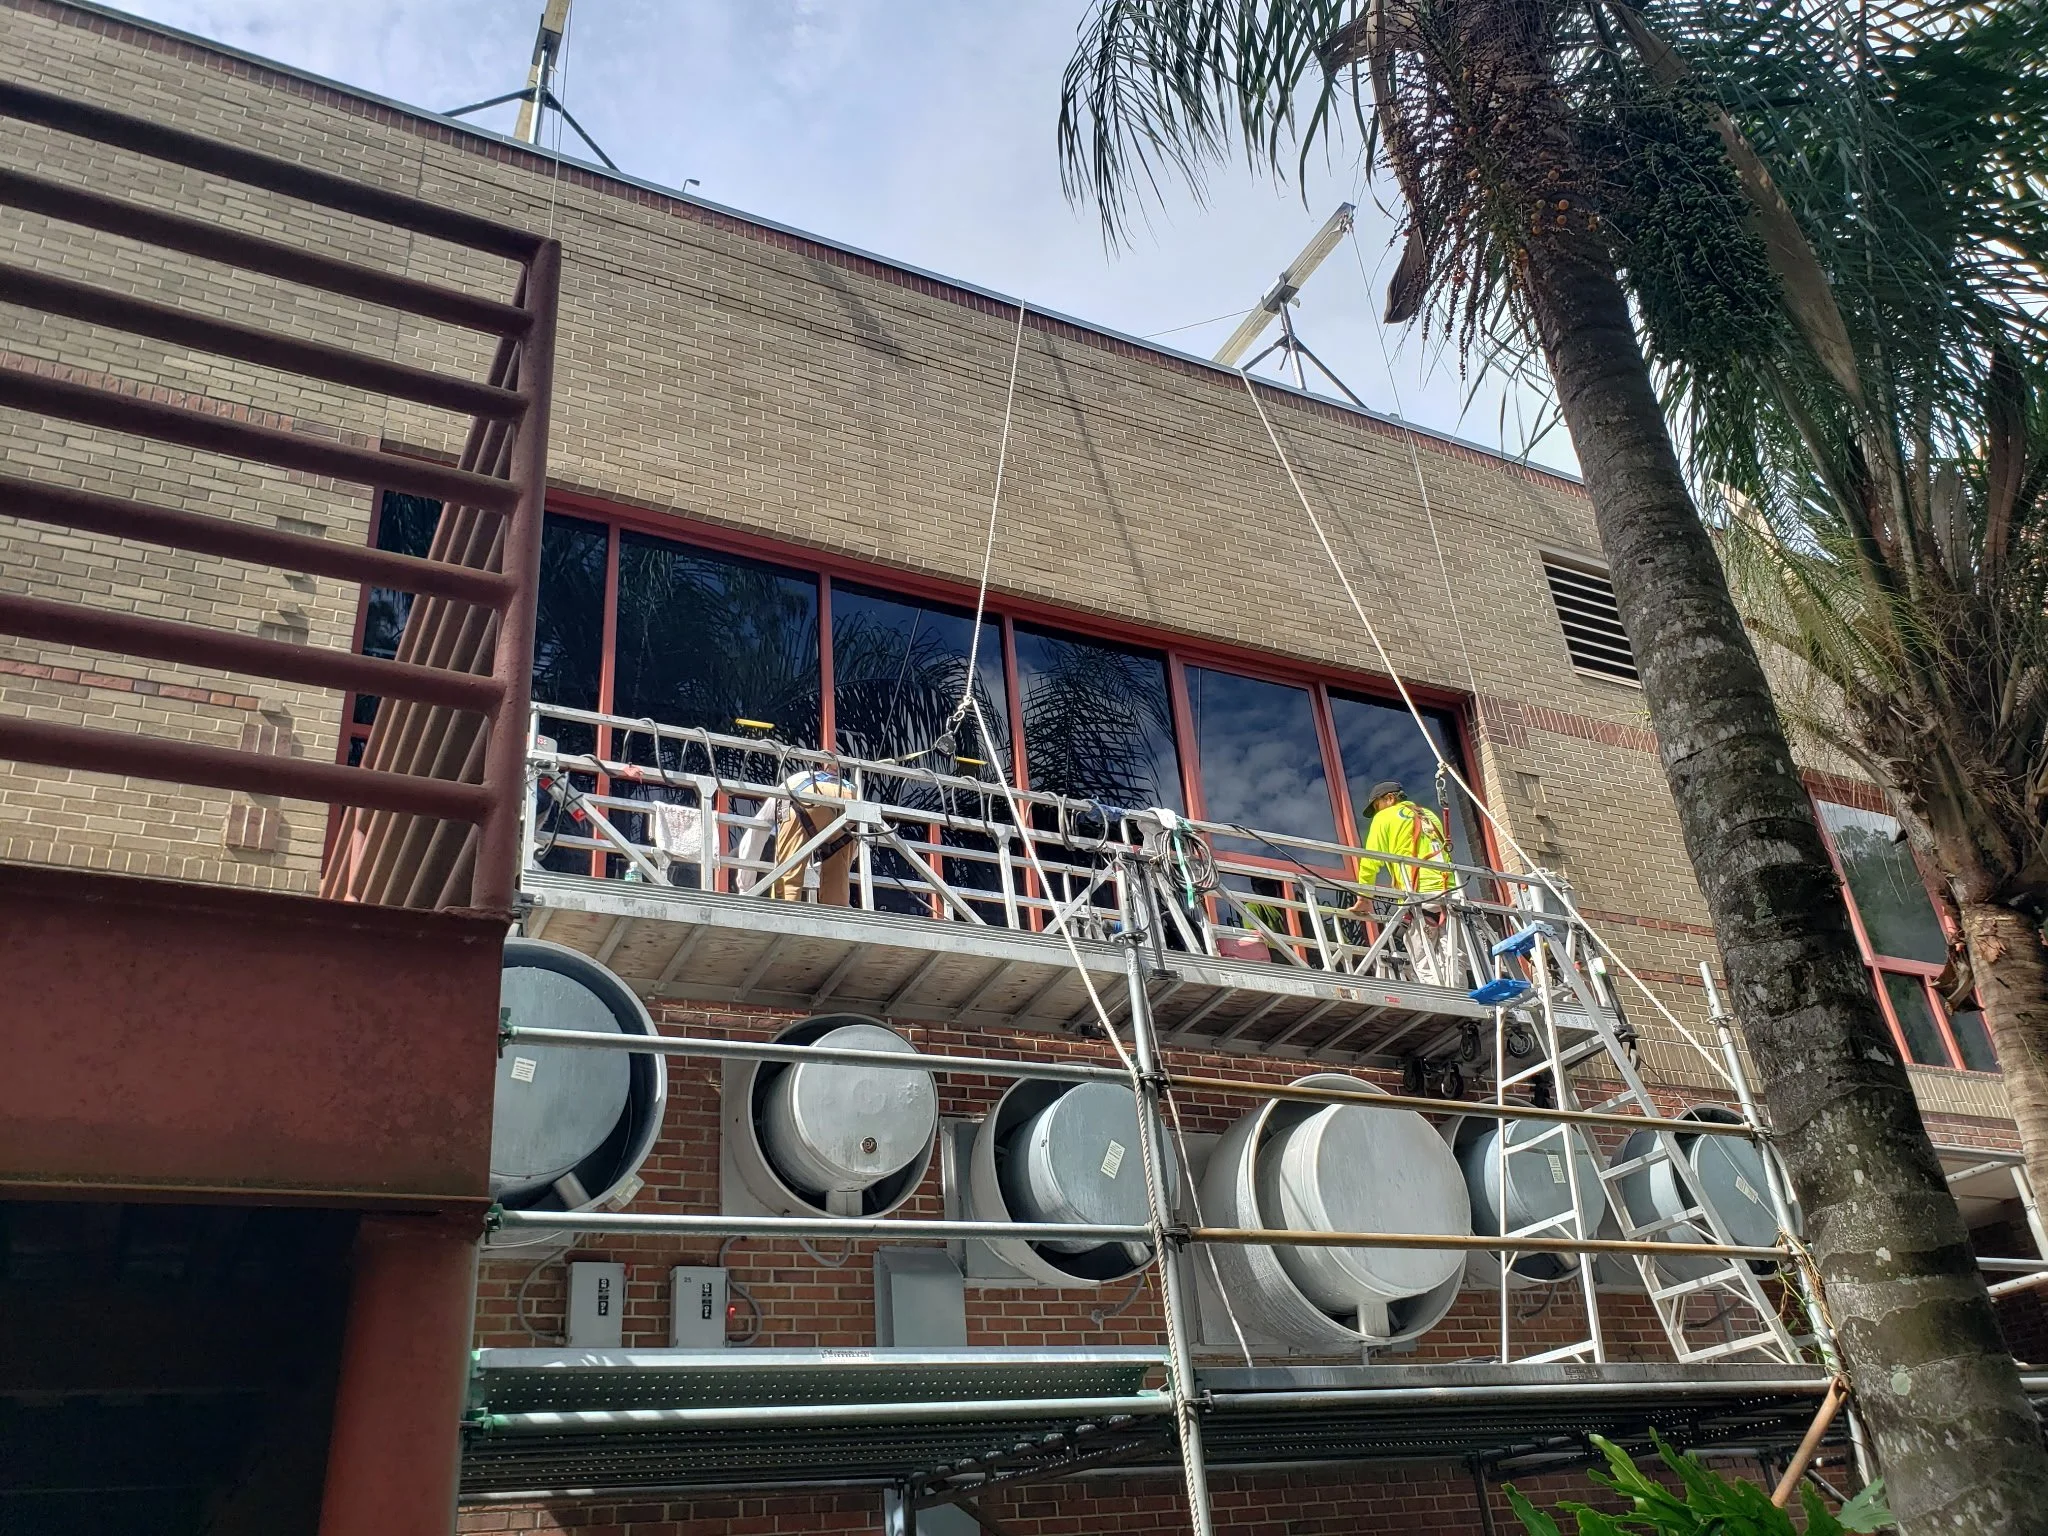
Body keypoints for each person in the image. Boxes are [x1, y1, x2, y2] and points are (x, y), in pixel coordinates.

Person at [1348, 780, 1458, 984]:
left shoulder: (1385, 817)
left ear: (1389, 798)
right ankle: (1463, 1002)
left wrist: (1364, 897)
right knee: (1454, 959)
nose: (1377, 812)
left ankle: (1441, 1003)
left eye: (1376, 806)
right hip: (1450, 894)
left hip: (1418, 896)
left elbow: (1370, 862)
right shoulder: (1428, 815)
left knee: (1424, 959)